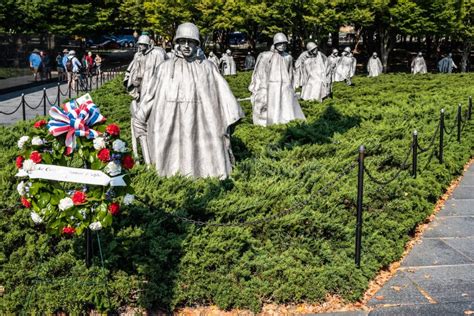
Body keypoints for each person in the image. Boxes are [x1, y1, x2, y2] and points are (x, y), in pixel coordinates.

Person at [133, 22, 244, 179]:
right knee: (171, 155)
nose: (186, 46)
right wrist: (140, 116)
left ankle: (208, 176)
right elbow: (150, 96)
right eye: (182, 41)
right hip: (169, 123)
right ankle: (170, 180)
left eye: (190, 42)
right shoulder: (164, 68)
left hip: (202, 123)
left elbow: (224, 98)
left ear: (196, 44)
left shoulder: (208, 67)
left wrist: (228, 120)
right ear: (176, 43)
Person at [123, 34, 168, 160]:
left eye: (143, 45)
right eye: (139, 45)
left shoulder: (158, 53)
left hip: (156, 87)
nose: (141, 47)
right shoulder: (138, 55)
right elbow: (134, 72)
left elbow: (166, 67)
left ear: (149, 44)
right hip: (142, 88)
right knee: (142, 114)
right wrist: (134, 85)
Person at [249, 32, 306, 126]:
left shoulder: (288, 57)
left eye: (284, 43)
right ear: (275, 44)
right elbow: (260, 73)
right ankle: (272, 126)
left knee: (286, 108)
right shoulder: (266, 56)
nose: (282, 45)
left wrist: (291, 88)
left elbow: (290, 74)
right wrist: (258, 88)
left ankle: (287, 125)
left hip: (285, 88)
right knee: (271, 109)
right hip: (271, 88)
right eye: (279, 43)